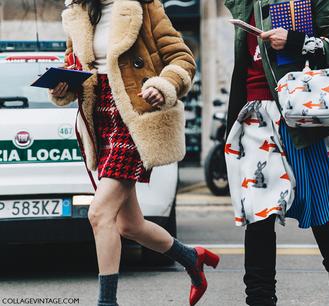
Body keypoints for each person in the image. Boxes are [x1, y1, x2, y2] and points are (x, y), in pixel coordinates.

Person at [49, 0, 219, 305]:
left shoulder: (143, 6)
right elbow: (75, 66)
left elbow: (182, 58)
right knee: (129, 225)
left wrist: (163, 84)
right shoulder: (79, 12)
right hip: (100, 120)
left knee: (99, 213)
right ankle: (193, 258)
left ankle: (107, 302)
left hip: (134, 118)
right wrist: (63, 85)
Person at [224, 0, 329, 305]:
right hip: (256, 118)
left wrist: (296, 41)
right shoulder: (244, 3)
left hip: (302, 119)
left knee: (323, 212)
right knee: (259, 218)